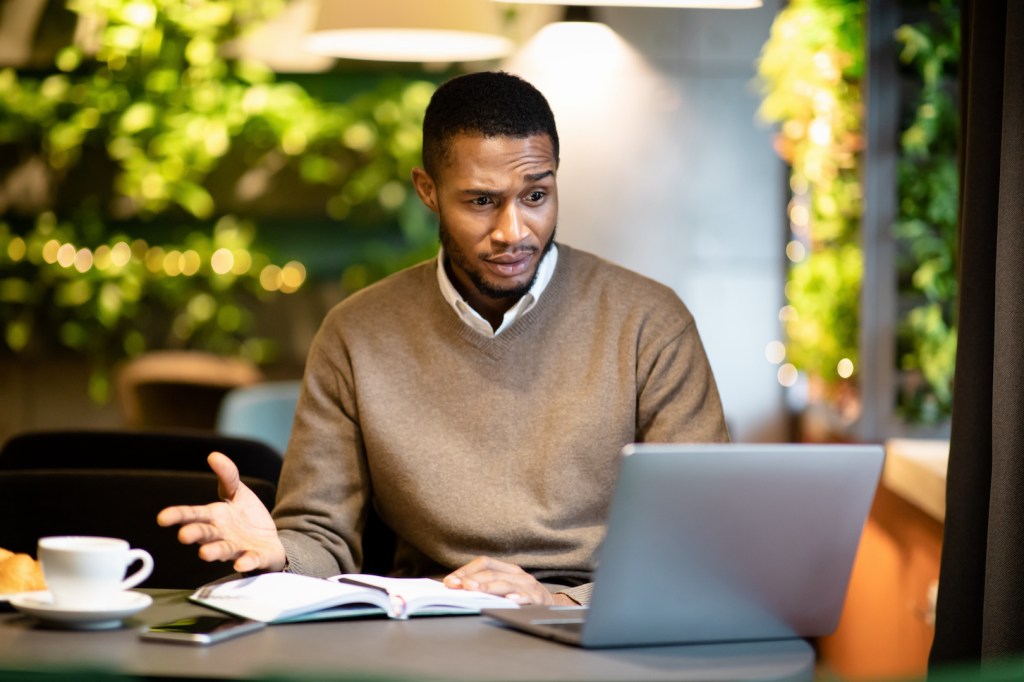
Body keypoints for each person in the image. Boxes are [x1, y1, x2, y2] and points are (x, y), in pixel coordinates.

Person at [158, 70, 729, 607]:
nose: (513, 231)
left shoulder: (650, 322)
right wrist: (283, 553)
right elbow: (321, 534)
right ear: (428, 191)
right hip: (427, 622)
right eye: (482, 201)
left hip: (600, 619)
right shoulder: (357, 333)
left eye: (535, 195)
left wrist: (558, 602)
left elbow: (703, 540)